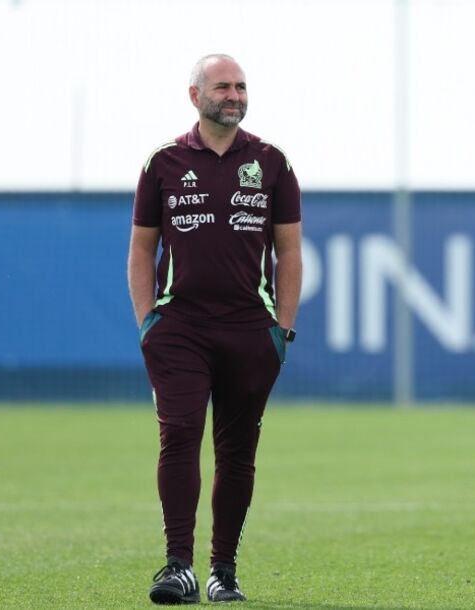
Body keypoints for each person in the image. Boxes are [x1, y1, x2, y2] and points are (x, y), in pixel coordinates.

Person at [127, 53, 302, 605]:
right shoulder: (163, 162)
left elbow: (290, 253)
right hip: (179, 327)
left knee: (237, 453)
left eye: (241, 86)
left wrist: (283, 330)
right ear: (195, 95)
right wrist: (148, 323)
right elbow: (141, 248)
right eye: (223, 86)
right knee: (178, 432)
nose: (234, 95)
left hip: (252, 330)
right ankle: (178, 565)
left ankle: (222, 569)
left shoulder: (273, 162)